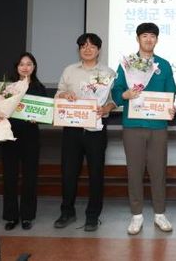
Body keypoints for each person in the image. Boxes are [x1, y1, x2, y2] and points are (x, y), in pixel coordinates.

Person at [112, 22, 176, 235]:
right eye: (144, 36)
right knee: (134, 171)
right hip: (133, 125)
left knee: (158, 171)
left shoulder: (163, 65)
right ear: (138, 38)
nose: (149, 40)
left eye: (152, 36)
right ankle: (136, 215)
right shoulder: (127, 64)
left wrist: (171, 107)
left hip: (158, 125)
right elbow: (116, 91)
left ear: (157, 39)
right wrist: (125, 94)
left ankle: (160, 213)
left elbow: (171, 92)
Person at [53, 33, 117, 232]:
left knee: (96, 173)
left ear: (99, 49)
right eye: (83, 46)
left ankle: (93, 215)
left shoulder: (108, 73)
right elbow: (58, 94)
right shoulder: (69, 70)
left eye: (91, 46)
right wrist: (65, 94)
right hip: (72, 128)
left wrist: (106, 109)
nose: (87, 49)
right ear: (79, 49)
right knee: (68, 172)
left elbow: (114, 101)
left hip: (96, 129)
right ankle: (67, 211)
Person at [0, 52, 47, 231]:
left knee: (30, 177)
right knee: (9, 177)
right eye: (21, 64)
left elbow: (45, 113)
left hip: (30, 136)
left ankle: (27, 216)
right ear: (16, 67)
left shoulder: (39, 88)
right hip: (9, 135)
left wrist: (39, 117)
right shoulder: (7, 87)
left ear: (34, 67)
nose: (25, 67)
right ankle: (11, 216)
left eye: (29, 64)